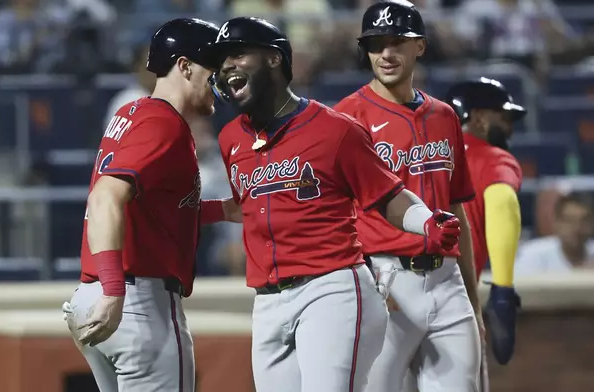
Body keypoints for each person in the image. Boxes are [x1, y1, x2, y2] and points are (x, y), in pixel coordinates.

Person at [207, 16, 463, 392]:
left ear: (275, 59)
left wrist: (425, 223)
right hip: (267, 301)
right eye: (223, 58)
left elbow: (388, 194)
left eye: (238, 53)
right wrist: (196, 211)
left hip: (331, 290)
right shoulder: (231, 138)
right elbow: (251, 204)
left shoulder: (335, 129)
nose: (227, 64)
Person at [61, 18, 240, 392]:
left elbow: (151, 208)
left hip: (94, 294)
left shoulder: (134, 113)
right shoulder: (163, 124)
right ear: (185, 66)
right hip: (134, 299)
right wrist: (114, 291)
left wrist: (222, 210)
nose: (220, 82)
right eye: (214, 70)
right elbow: (105, 196)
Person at [333, 1, 483, 391]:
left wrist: (473, 298)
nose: (385, 53)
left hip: (447, 281)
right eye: (376, 43)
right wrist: (363, 287)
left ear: (420, 46)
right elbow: (335, 215)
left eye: (397, 42)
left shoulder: (445, 115)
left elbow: (455, 210)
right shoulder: (347, 117)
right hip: (384, 277)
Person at [445, 77, 526, 390]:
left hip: (386, 292)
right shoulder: (493, 157)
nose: (509, 127)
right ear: (478, 118)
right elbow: (502, 201)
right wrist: (503, 291)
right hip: (453, 301)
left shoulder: (417, 157)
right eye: (503, 118)